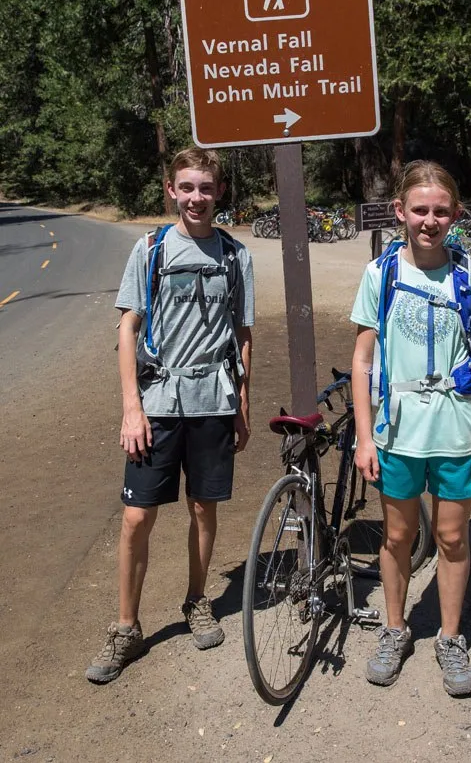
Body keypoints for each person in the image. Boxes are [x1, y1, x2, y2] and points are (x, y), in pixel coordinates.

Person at [86, 147, 254, 684]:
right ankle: (126, 627)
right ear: (171, 190)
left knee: (204, 508)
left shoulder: (235, 254)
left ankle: (197, 599)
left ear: (219, 192)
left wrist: (242, 405)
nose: (197, 198)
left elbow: (243, 334)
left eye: (206, 188)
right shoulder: (151, 249)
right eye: (187, 187)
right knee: (138, 517)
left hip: (214, 400)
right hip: (157, 401)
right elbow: (127, 328)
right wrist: (131, 409)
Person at [350, 160, 471, 697]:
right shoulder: (381, 274)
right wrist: (364, 436)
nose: (429, 221)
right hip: (396, 432)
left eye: (440, 211)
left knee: (453, 536)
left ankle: (451, 636)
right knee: (396, 535)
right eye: (419, 210)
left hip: (456, 433)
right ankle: (396, 629)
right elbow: (363, 360)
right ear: (400, 213)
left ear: (455, 215)